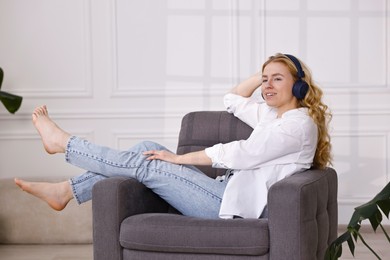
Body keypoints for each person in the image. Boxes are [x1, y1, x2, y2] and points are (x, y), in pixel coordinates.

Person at [14, 53, 332, 219]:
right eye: (265, 81)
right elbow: (232, 100)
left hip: (230, 207)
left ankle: (65, 144)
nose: (267, 86)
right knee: (148, 149)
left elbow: (241, 153)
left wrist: (179, 158)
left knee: (150, 162)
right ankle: (66, 192)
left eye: (278, 79)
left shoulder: (298, 125)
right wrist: (262, 72)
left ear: (300, 86)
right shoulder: (272, 115)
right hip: (224, 191)